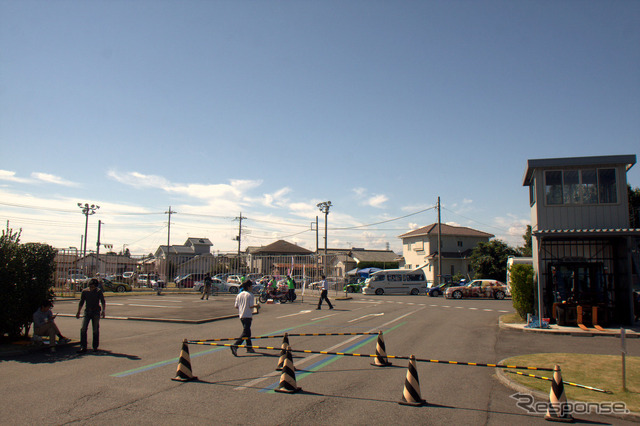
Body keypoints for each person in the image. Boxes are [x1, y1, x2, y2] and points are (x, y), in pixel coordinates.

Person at [76, 278, 106, 354]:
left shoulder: (98, 291)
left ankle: (95, 346)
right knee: (83, 328)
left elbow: (102, 301)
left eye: (93, 287)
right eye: (90, 286)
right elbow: (81, 302)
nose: (91, 288)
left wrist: (103, 311)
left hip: (96, 312)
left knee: (95, 329)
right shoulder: (85, 291)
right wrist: (78, 311)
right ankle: (83, 346)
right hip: (87, 311)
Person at [230, 280, 257, 356]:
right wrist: (257, 306)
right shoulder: (250, 295)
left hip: (241, 315)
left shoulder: (239, 295)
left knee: (248, 332)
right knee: (245, 333)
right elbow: (251, 306)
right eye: (251, 286)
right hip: (248, 315)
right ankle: (235, 346)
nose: (252, 288)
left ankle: (249, 347)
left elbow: (236, 306)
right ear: (248, 287)